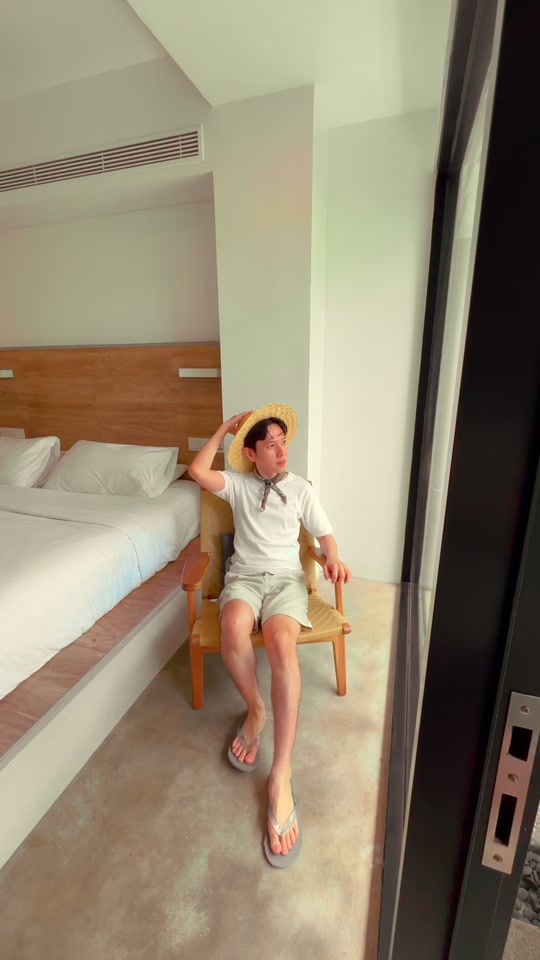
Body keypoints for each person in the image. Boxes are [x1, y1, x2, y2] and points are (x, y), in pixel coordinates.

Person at [188, 403, 351, 868]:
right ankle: (256, 709)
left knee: (281, 642)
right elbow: (198, 471)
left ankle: (280, 772)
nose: (281, 452)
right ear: (252, 454)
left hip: (284, 582)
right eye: (271, 445)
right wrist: (225, 428)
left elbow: (325, 536)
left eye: (284, 443)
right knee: (232, 625)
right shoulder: (237, 485)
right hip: (244, 579)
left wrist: (331, 557)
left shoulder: (300, 488)